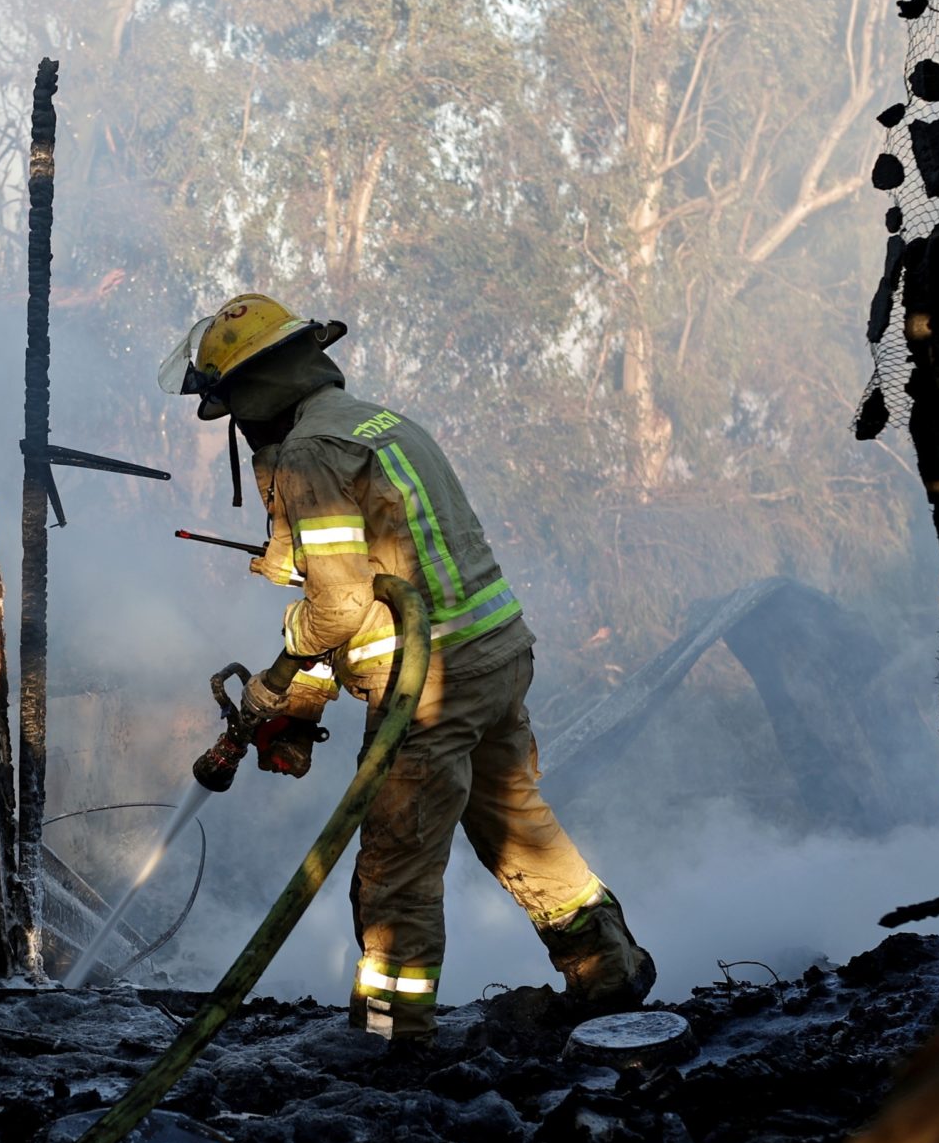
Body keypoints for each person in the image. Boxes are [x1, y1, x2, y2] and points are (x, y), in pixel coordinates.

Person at [161, 293, 655, 1045]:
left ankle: (393, 1037)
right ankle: (611, 969)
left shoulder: (309, 454)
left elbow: (338, 607)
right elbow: (366, 591)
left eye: (231, 405)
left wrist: (272, 691)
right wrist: (310, 704)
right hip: (495, 655)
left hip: (428, 690)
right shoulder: (378, 422)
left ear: (255, 393)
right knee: (518, 827)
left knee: (395, 870)